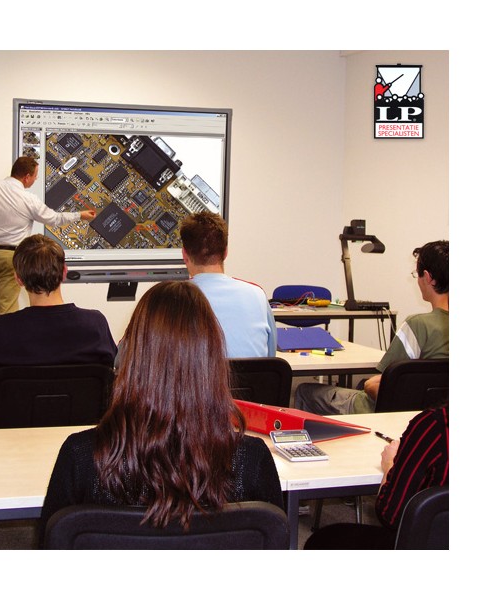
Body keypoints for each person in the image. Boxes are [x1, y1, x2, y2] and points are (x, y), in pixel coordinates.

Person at [39, 280, 283, 545]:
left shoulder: (81, 456)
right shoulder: (251, 460)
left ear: (132, 356)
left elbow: (50, 544)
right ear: (212, 360)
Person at [0, 234, 117, 427]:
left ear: (18, 279)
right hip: (80, 434)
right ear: (64, 272)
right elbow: (110, 372)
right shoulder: (95, 326)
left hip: (7, 433)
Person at [295, 240, 449, 414]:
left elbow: (386, 383)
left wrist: (369, 385)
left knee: (305, 391)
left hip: (383, 410)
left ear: (427, 277)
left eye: (417, 275)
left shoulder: (418, 325)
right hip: (434, 414)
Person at [0, 156, 97, 347]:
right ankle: (5, 354)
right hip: (10, 258)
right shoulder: (28, 199)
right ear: (26, 177)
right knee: (7, 310)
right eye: (34, 176)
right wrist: (79, 215)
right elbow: (54, 219)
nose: (34, 180)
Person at [303, 403, 449, 549]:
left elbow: (391, 516)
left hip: (423, 544)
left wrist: (389, 465)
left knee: (322, 540)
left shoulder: (434, 426)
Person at [179, 212, 277, 357]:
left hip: (196, 373)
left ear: (184, 255)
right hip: (251, 373)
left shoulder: (169, 300)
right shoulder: (257, 295)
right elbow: (270, 358)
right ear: (225, 252)